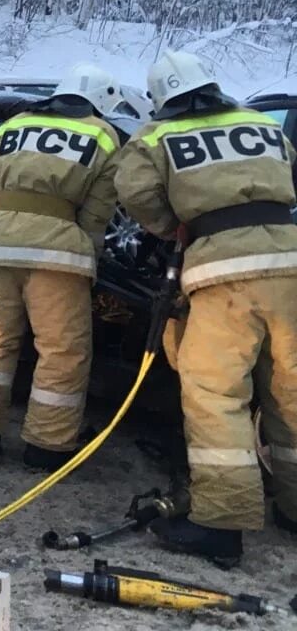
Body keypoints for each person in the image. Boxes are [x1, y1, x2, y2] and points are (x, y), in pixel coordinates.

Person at [115, 50, 297, 567]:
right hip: (290, 259)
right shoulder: (260, 123)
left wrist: (175, 225)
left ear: (162, 99)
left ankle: (221, 524)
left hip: (222, 273)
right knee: (291, 388)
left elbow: (137, 191)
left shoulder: (154, 138)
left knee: (216, 395)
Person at [0, 63, 122, 471]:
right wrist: (84, 248)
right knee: (61, 351)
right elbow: (99, 210)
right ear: (101, 101)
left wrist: (11, 216)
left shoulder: (15, 124)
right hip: (60, 255)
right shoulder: (103, 135)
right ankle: (46, 446)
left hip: (0, 247)